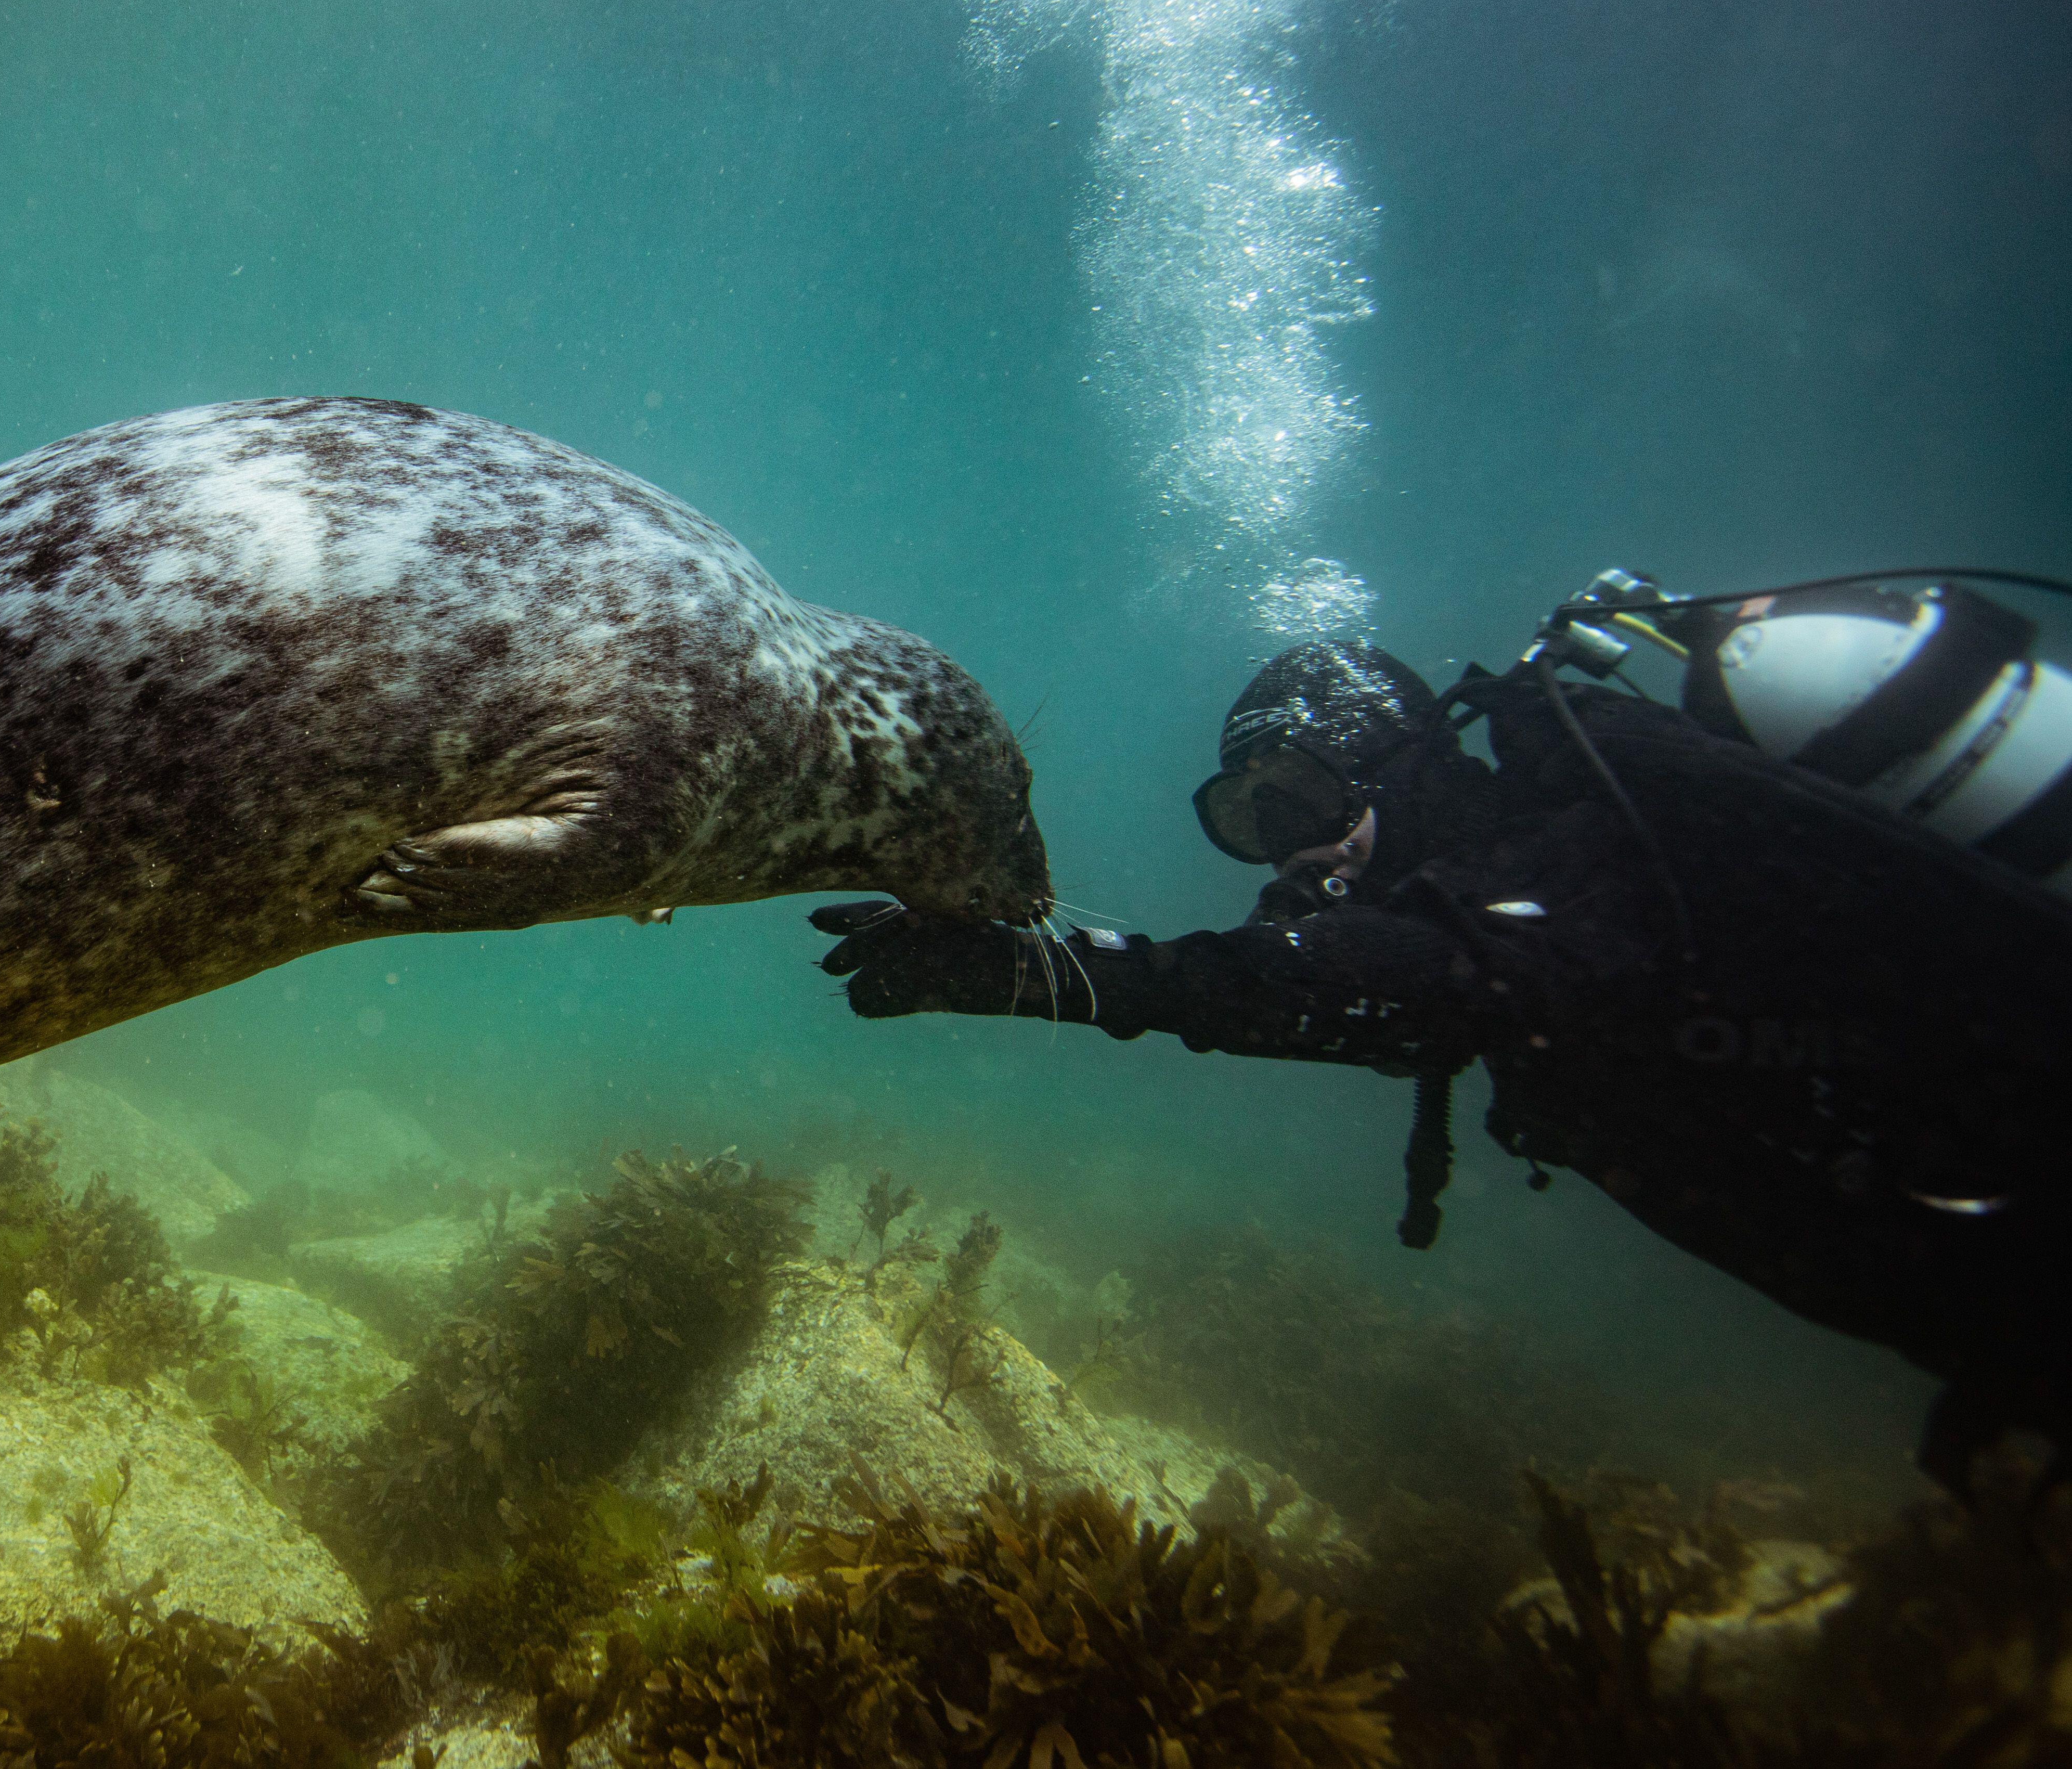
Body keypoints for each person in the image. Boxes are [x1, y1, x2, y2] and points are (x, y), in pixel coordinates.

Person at [811, 639, 2072, 1493]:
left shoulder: (1579, 860)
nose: (1286, 854)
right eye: (1250, 821)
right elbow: (1368, 996)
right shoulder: (1488, 918)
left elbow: (1363, 987)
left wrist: (1049, 974)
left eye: (1302, 802)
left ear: (1396, 768)